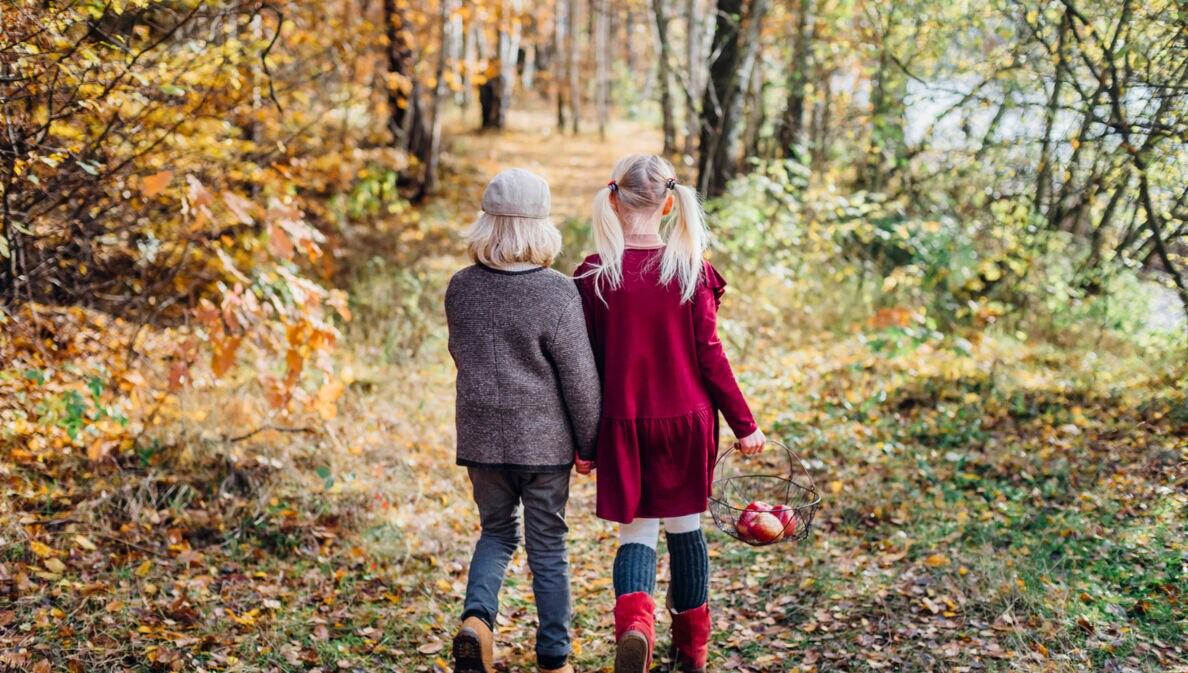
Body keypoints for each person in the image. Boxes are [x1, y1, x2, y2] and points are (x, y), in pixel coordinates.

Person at [574, 154, 766, 673]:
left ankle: (636, 627)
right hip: (686, 422)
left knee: (636, 533)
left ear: (613, 200)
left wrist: (583, 443)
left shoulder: (595, 273)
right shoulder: (689, 270)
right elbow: (710, 355)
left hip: (623, 425)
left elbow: (584, 366)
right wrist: (746, 425)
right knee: (686, 530)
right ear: (667, 203)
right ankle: (692, 650)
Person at [446, 168, 601, 673]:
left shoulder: (461, 288)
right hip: (545, 446)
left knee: (495, 533)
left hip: (482, 441)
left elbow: (462, 354)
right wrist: (589, 442)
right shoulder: (556, 291)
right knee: (547, 546)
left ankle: (477, 622)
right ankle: (554, 657)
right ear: (541, 228)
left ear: (486, 225)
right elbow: (579, 378)